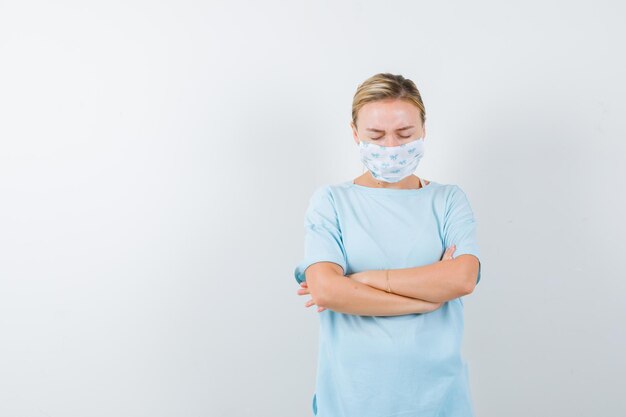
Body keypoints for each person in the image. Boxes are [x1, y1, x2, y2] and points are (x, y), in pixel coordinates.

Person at [294, 72, 482, 417]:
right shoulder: (332, 202)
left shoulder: (448, 201)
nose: (392, 147)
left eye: (405, 134)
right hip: (352, 400)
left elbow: (462, 280)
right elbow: (326, 291)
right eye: (376, 136)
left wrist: (363, 280)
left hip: (439, 399)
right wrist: (426, 299)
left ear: (423, 129)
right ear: (355, 134)